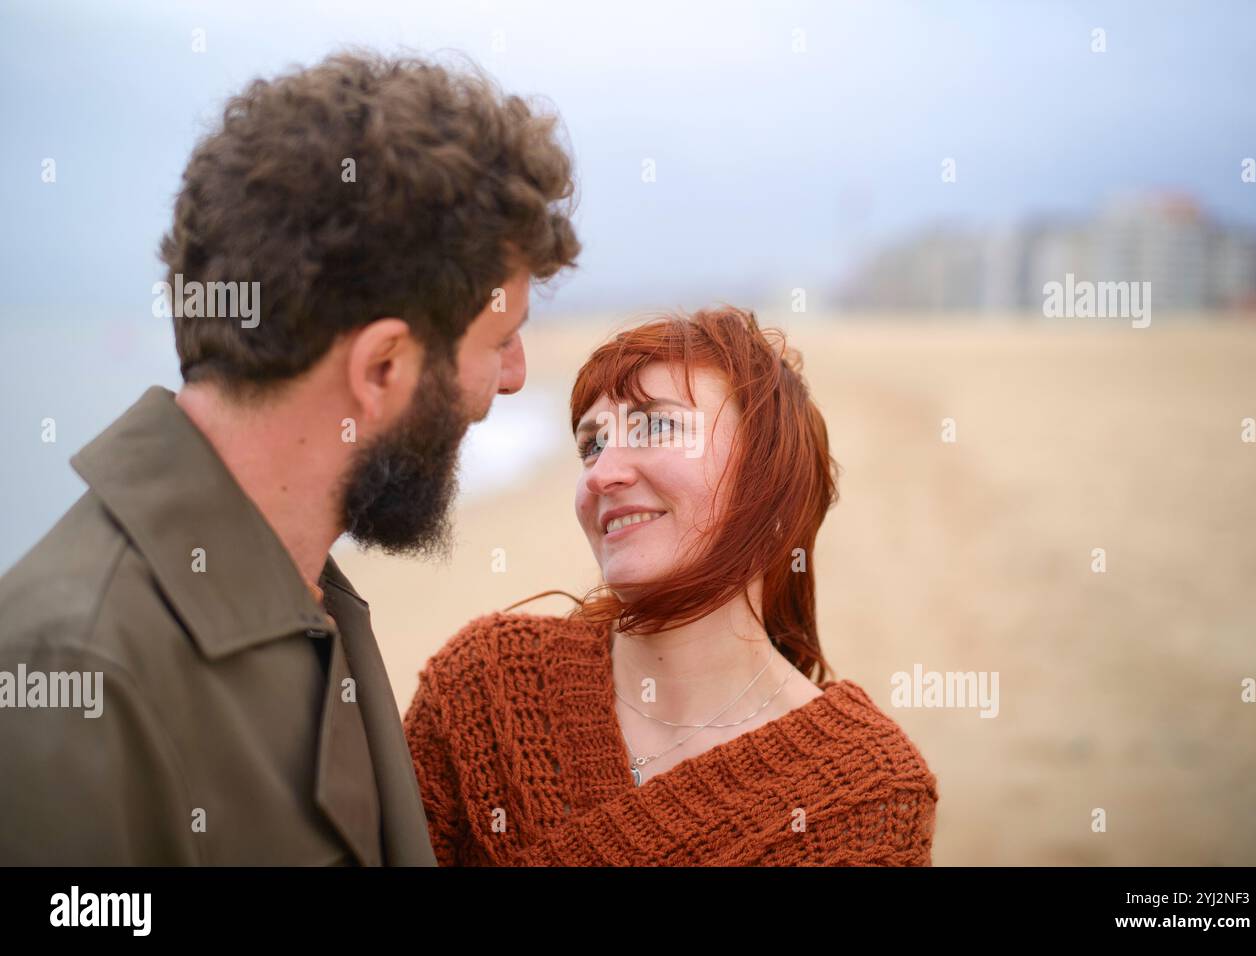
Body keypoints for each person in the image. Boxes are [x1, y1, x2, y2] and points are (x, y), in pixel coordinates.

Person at [0, 49, 580, 865]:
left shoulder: (307, 589)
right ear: (382, 368)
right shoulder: (68, 675)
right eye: (501, 339)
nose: (515, 378)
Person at [403, 305, 939, 865]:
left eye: (657, 426)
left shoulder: (866, 791)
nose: (601, 473)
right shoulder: (485, 687)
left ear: (770, 475)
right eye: (592, 444)